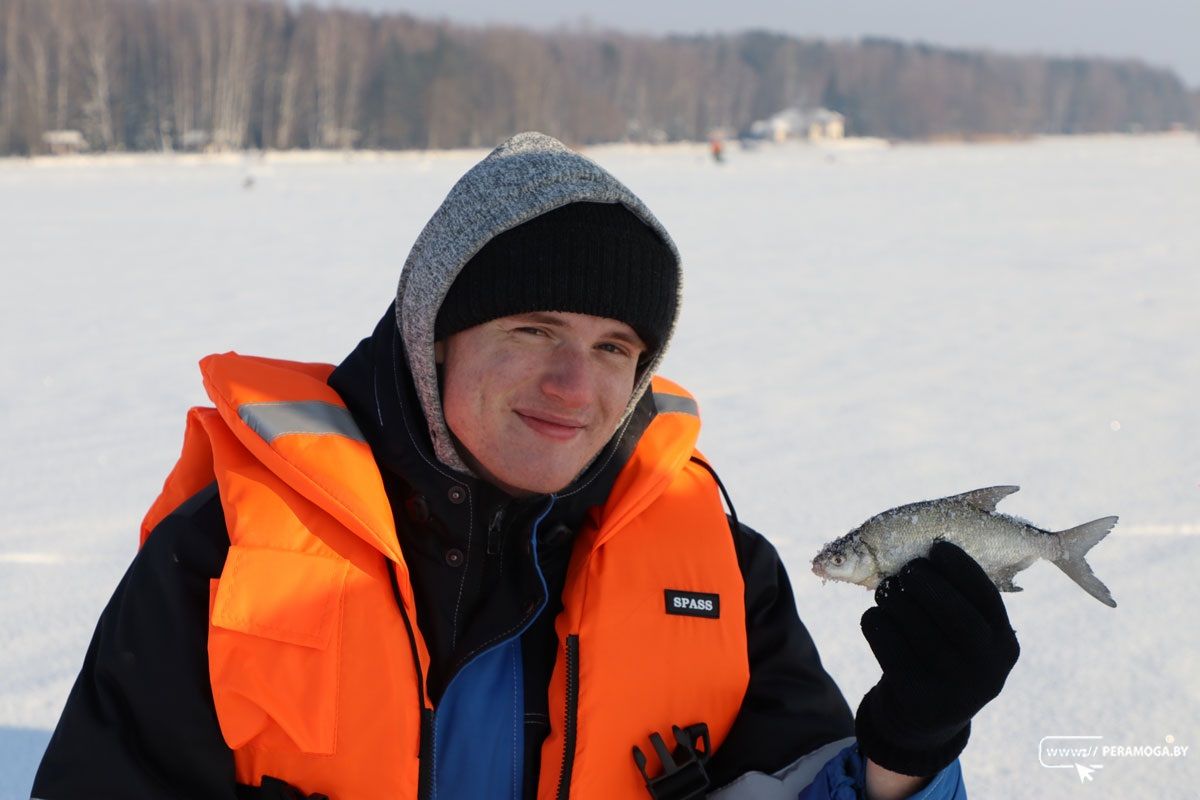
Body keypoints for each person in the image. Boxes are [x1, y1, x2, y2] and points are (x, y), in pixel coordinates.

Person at [32, 132, 1017, 800]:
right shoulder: (223, 559)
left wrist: (907, 747)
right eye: (532, 328)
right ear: (434, 335)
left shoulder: (718, 569)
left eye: (613, 346)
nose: (572, 385)